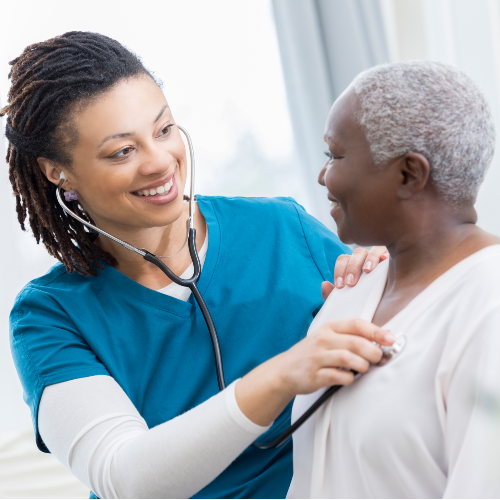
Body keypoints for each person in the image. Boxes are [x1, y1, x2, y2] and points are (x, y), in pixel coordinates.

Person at [4, 32, 388, 499]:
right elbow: (126, 478)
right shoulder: (49, 316)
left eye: (164, 130)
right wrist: (285, 372)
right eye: (123, 151)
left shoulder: (281, 228)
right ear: (57, 171)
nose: (160, 162)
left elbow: (401, 350)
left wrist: (387, 278)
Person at [289, 61, 500, 499]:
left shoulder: (489, 306)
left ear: (409, 174)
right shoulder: (355, 289)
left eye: (335, 154)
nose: (322, 176)